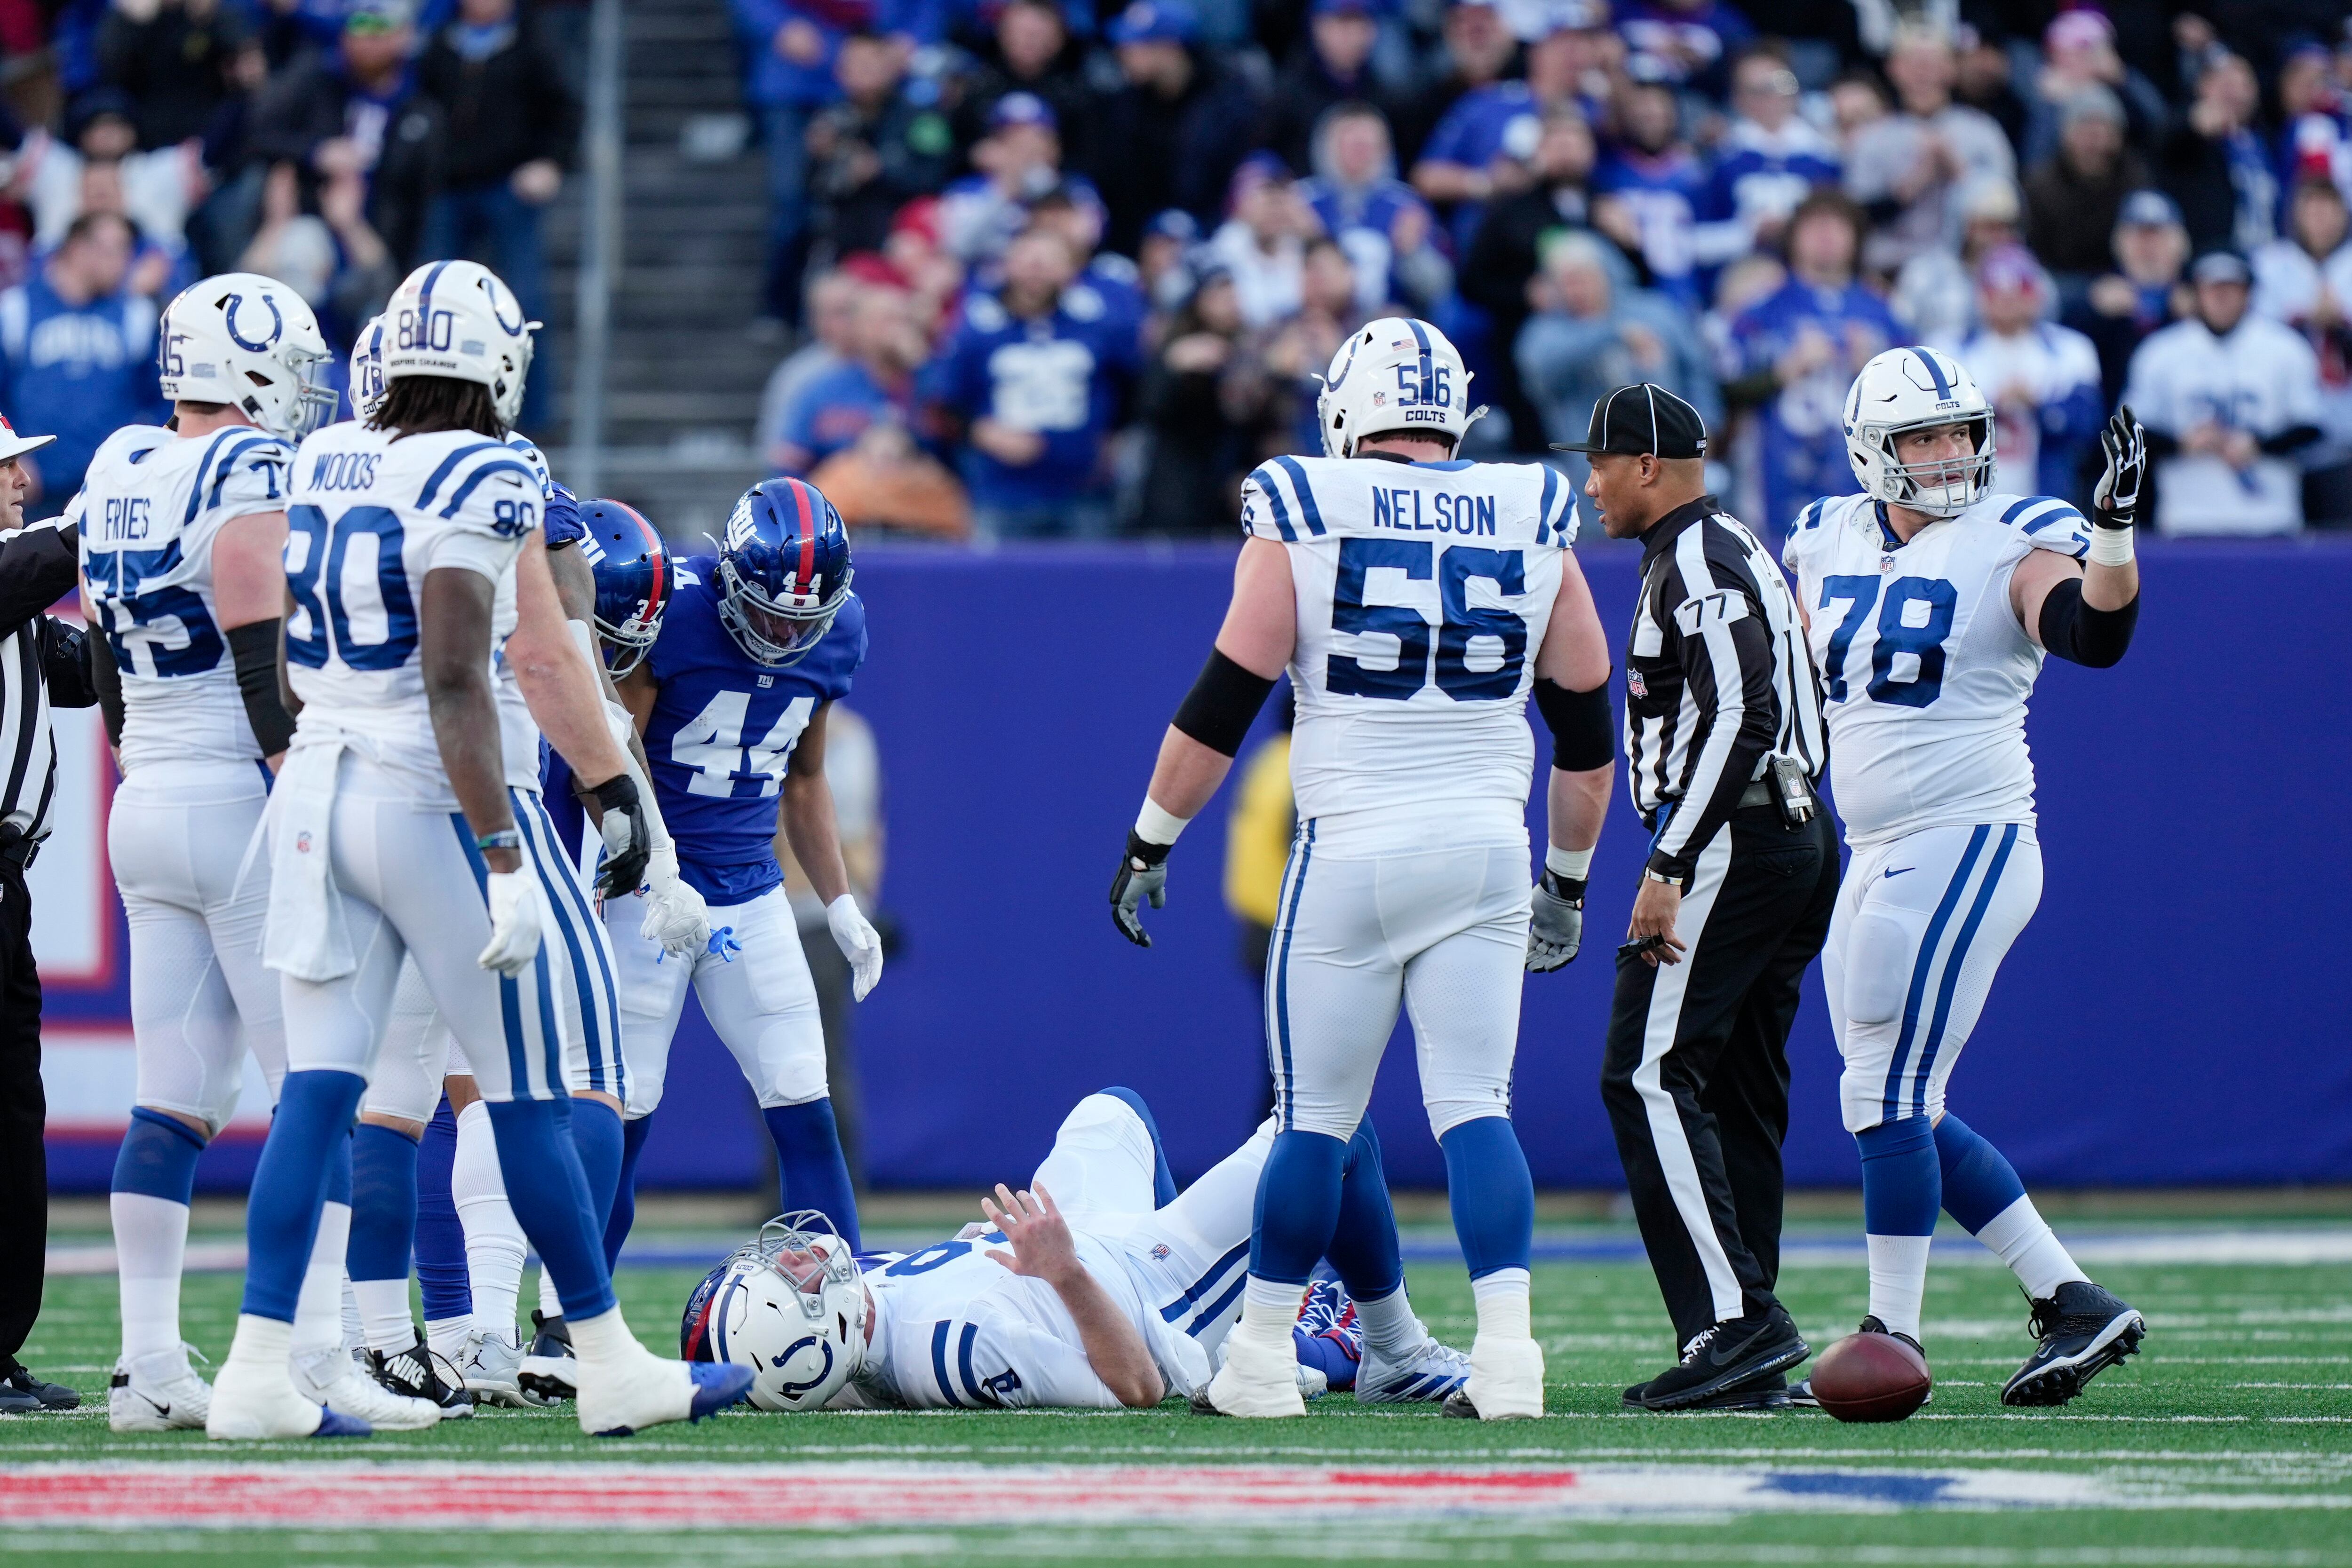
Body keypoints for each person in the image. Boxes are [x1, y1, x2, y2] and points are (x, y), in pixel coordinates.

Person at [204, 258, 749, 1440]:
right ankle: (604, 1359)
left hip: (316, 787)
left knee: (319, 1093)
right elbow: (490, 673)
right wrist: (515, 850)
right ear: (498, 356)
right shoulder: (486, 470)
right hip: (426, 796)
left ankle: (256, 1371)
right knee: (531, 1098)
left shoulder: (328, 453)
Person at [1106, 317, 1614, 1421]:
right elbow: (1586, 733)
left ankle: (1257, 1361)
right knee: (1477, 1109)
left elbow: (1222, 705)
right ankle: (1508, 1358)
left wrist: (1153, 836)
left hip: (1355, 848)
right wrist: (1568, 881)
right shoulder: (1533, 511)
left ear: (1346, 408)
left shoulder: (1303, 504)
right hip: (1489, 845)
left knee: (1314, 1118)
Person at [79, 274, 439, 1433]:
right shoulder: (242, 471)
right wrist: (293, 773)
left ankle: (146, 1368)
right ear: (240, 368)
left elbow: (99, 660)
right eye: (289, 367)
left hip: (148, 798)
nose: (304, 390)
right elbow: (253, 633)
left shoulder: (120, 462)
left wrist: (144, 756)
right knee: (315, 1090)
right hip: (238, 792)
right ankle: (318, 1355)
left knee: (172, 1098)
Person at [1779, 346, 2149, 1410]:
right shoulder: (1822, 535)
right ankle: (2069, 1296)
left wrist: (2115, 533)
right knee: (1898, 1103)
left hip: (1966, 834)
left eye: (1960, 433)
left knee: (1882, 1092)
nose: (1948, 455)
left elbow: (2094, 632)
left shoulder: (2012, 538)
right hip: (1871, 845)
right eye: (1923, 437)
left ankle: (1892, 1331)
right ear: (1871, 451)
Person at [1565, 381, 1832, 1414]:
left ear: (1646, 465)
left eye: (1599, 462)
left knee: (1642, 1073)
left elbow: (1741, 710)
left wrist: (1670, 860)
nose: (1587, 484)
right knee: (1734, 1089)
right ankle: (1748, 1323)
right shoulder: (1728, 543)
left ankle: (1732, 1320)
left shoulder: (1697, 555)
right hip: (1793, 830)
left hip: (1734, 835)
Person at [684, 1090, 1470, 1411]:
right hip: (1145, 1287)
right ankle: (1390, 1351)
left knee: (1110, 1108)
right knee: (1333, 1126)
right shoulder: (957, 1349)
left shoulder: (849, 1339)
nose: (807, 1259)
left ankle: (1287, 1310)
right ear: (812, 1348)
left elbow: (746, 1369)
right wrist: (1064, 1270)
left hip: (1076, 1245)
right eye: (797, 1284)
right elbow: (1137, 1382)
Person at [590, 476, 883, 1264]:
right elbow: (610, 757)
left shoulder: (839, 630)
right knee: (626, 1107)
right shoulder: (674, 610)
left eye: (804, 622)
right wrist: (655, 871)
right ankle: (570, 1321)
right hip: (646, 895)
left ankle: (845, 1309)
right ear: (728, 578)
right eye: (769, 613)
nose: (786, 638)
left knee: (803, 1096)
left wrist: (841, 897)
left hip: (753, 894)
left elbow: (808, 776)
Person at [0, 411, 96, 1416]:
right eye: (6, 468)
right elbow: (34, 565)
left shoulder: (19, 589)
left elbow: (87, 670)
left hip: (8, 879)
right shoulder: (13, 573)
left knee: (13, 1120)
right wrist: (117, 507)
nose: (21, 479)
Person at [415, 0, 581, 431]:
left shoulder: (533, 41)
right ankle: (427, 411)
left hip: (508, 186)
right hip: (447, 190)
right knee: (430, 304)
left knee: (526, 303)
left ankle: (535, 421)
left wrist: (552, 162)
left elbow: (565, 108)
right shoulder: (436, 44)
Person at [930, 226, 1138, 539]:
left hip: (1084, 491)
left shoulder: (1098, 321)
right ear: (1007, 265)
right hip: (1004, 494)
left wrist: (1114, 437)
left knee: (1087, 586)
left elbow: (1134, 382)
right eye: (1029, 260)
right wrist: (983, 433)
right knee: (999, 586)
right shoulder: (977, 325)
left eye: (1048, 261)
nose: (1037, 271)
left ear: (1070, 268)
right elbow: (941, 401)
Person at [1727, 190, 1899, 533]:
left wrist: (1876, 371)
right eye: (1814, 226)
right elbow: (1724, 392)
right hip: (1775, 472)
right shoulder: (1761, 310)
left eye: (1838, 226)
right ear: (1794, 237)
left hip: (1861, 474)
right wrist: (1782, 371)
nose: (1826, 236)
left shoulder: (1883, 313)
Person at [2123, 248, 2324, 536]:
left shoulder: (2287, 349)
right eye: (2212, 288)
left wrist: (2258, 445)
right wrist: (2183, 443)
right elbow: (2129, 435)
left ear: (2249, 292)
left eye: (2232, 288)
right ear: (2196, 293)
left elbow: (2313, 427)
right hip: (2187, 518)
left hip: (2271, 519)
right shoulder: (2160, 352)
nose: (2221, 298)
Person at [1516, 230, 1716, 492]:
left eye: (1584, 279)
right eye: (1566, 282)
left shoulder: (1656, 313)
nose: (1576, 291)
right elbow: (1540, 370)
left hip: (1669, 462)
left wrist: (1705, 430)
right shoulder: (1546, 332)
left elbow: (1698, 373)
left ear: (1606, 274)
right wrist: (1613, 336)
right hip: (1591, 476)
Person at [0, 211, 168, 518]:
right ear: (78, 248)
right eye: (114, 250)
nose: (124, 262)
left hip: (109, 489)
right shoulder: (16, 309)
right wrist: (12, 459)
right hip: (33, 489)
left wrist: (142, 456)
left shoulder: (137, 315)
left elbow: (164, 399)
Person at [1842, 25, 2015, 276]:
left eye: (1933, 62)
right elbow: (1855, 218)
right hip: (1890, 269)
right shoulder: (1872, 138)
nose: (1923, 72)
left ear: (1952, 68)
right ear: (1894, 69)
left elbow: (2008, 212)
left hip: (1969, 271)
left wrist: (1959, 174)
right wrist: (1911, 186)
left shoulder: (1983, 132)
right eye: (1913, 62)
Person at [1952, 246, 2106, 506]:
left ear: (2036, 294)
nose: (2007, 301)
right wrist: (1990, 409)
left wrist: (2039, 407)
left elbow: (2089, 425)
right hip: (1968, 497)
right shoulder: (1950, 350)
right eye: (1997, 292)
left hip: (2048, 492)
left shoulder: (2072, 350)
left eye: (2017, 291)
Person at [1692, 48, 1843, 280]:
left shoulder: (1825, 158)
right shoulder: (1722, 160)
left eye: (1781, 85)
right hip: (1739, 278)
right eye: (1757, 90)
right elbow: (1695, 241)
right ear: (1738, 99)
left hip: (1811, 278)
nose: (1771, 98)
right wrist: (1749, 234)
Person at [2063, 188, 2191, 409]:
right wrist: (2093, 310)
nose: (2149, 248)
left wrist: (2198, 316)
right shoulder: (2096, 297)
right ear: (2119, 243)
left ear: (2181, 244)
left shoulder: (2200, 297)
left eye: (2159, 237)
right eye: (2139, 237)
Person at [2023, 86, 2149, 287]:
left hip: (2125, 283)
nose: (2095, 144)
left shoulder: (2135, 179)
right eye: (2086, 131)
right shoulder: (2041, 185)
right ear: (2066, 135)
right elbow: (2034, 257)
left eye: (2103, 131)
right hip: (2059, 281)